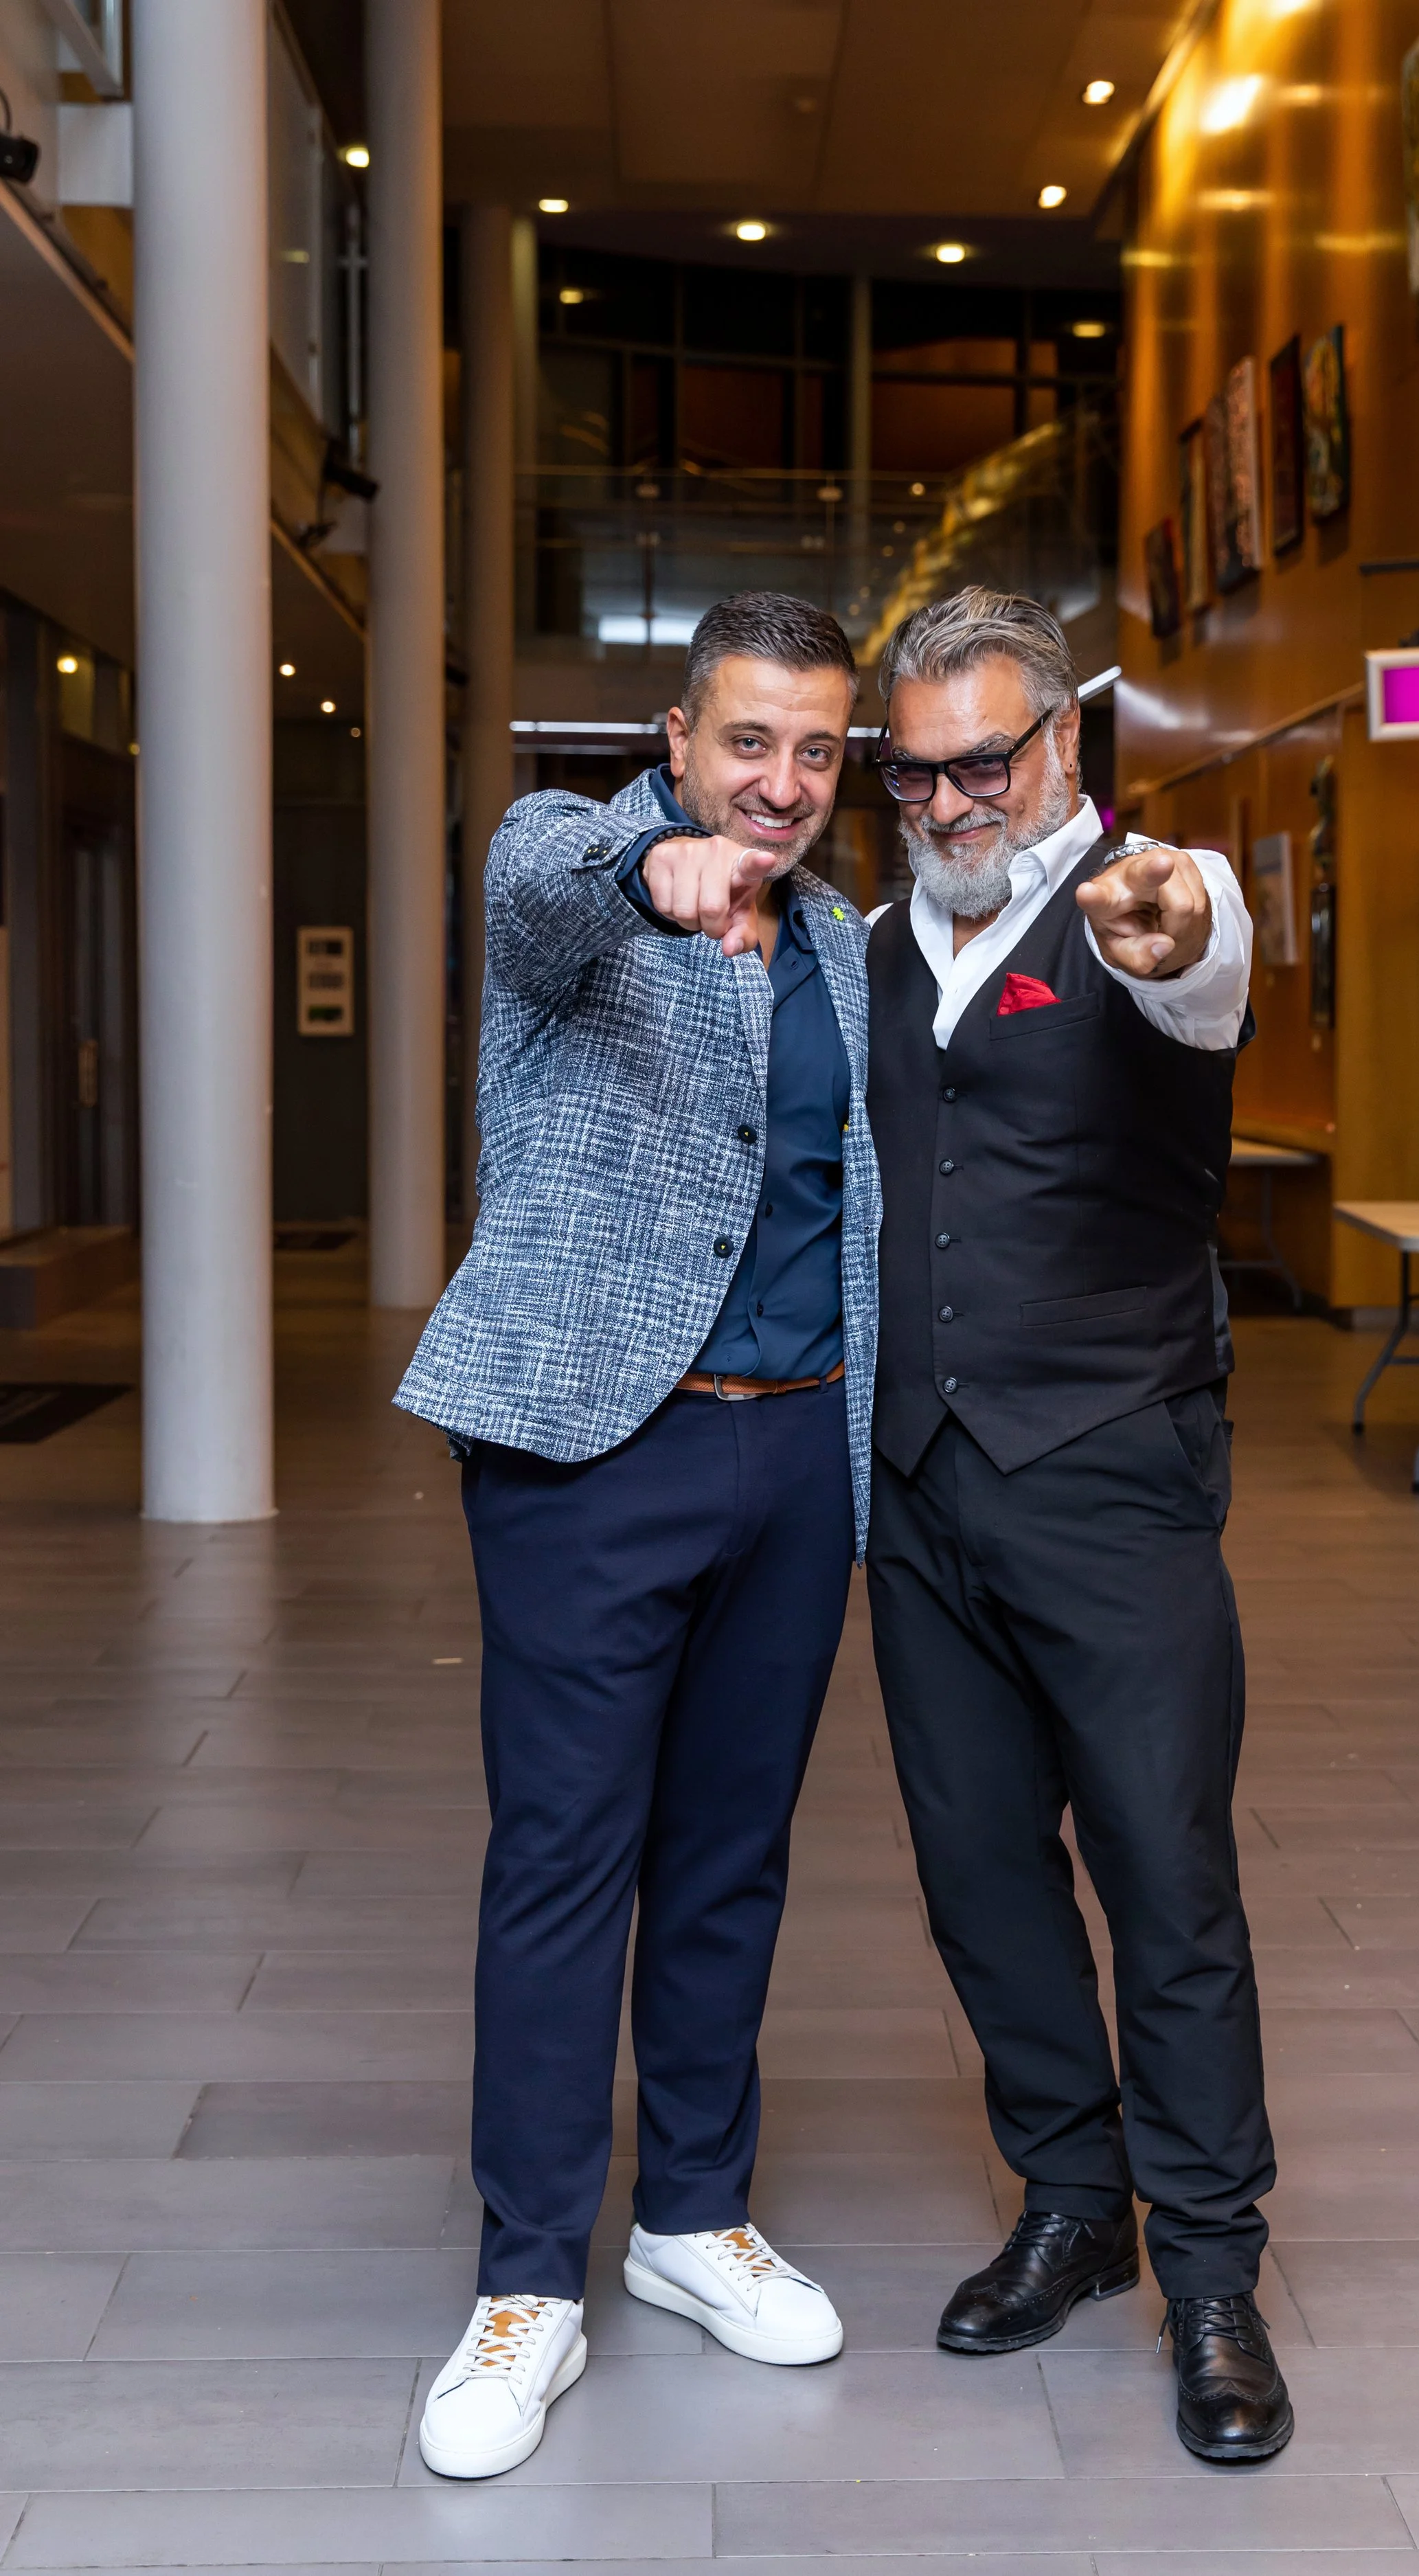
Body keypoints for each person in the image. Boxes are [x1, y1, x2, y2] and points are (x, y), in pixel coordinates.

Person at [394, 592, 878, 2481]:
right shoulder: (569, 855)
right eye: (746, 740)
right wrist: (653, 864)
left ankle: (689, 2217)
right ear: (678, 736)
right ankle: (527, 2281)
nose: (778, 781)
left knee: (730, 1857)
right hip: (597, 1451)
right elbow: (543, 887)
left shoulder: (843, 937)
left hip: (793, 1464)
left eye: (814, 749)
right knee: (564, 1859)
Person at [862, 587, 1293, 2464]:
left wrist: (1171, 915)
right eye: (919, 769)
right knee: (976, 1872)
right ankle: (1072, 2199)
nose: (955, 801)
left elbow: (1193, 954)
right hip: (917, 1484)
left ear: (1061, 747)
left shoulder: (1151, 896)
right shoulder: (875, 940)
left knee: (1163, 1878)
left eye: (988, 761)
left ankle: (1210, 2276)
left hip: (1111, 1465)